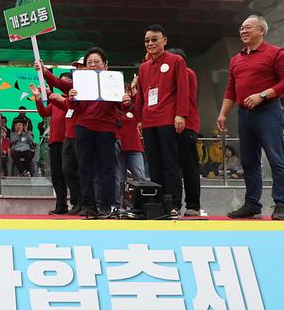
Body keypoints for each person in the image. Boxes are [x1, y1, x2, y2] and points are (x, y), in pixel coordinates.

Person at [217, 15, 284, 220]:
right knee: (249, 162)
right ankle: (252, 204)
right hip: (244, 114)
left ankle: (282, 204)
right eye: (241, 28)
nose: (243, 31)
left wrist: (262, 95)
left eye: (248, 28)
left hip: (268, 111)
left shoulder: (276, 53)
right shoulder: (236, 59)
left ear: (261, 30)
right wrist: (222, 113)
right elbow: (230, 91)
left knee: (276, 158)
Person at [66, 47, 131, 219]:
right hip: (84, 128)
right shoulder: (79, 83)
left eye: (97, 62)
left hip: (106, 129)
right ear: (85, 66)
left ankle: (106, 206)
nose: (93, 65)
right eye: (90, 63)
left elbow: (122, 107)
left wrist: (125, 101)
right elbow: (72, 107)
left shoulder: (113, 81)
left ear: (105, 65)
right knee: (85, 169)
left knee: (107, 169)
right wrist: (70, 98)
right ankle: (89, 207)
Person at [135, 24, 190, 217]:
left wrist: (181, 114)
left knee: (170, 162)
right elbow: (141, 95)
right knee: (154, 163)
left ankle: (174, 202)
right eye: (147, 40)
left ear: (164, 40)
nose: (150, 43)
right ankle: (158, 202)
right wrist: (139, 118)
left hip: (168, 119)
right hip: (149, 121)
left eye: (154, 39)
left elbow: (184, 89)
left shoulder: (176, 61)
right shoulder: (143, 67)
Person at [167, 48, 202, 217]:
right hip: (169, 125)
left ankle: (193, 205)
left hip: (186, 125)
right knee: (171, 166)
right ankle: (173, 203)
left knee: (189, 166)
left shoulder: (187, 73)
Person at [31, 83, 72, 215]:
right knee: (57, 175)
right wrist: (38, 98)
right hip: (54, 142)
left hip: (69, 142)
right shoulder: (55, 102)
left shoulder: (73, 102)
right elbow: (43, 112)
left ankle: (78, 203)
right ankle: (61, 205)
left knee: (70, 174)